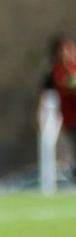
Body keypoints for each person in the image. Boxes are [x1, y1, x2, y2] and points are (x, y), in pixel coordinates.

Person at [38, 34, 76, 178]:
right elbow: (42, 93)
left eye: (68, 48)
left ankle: (72, 168)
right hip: (70, 118)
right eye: (62, 49)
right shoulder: (55, 73)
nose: (66, 52)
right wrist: (37, 115)